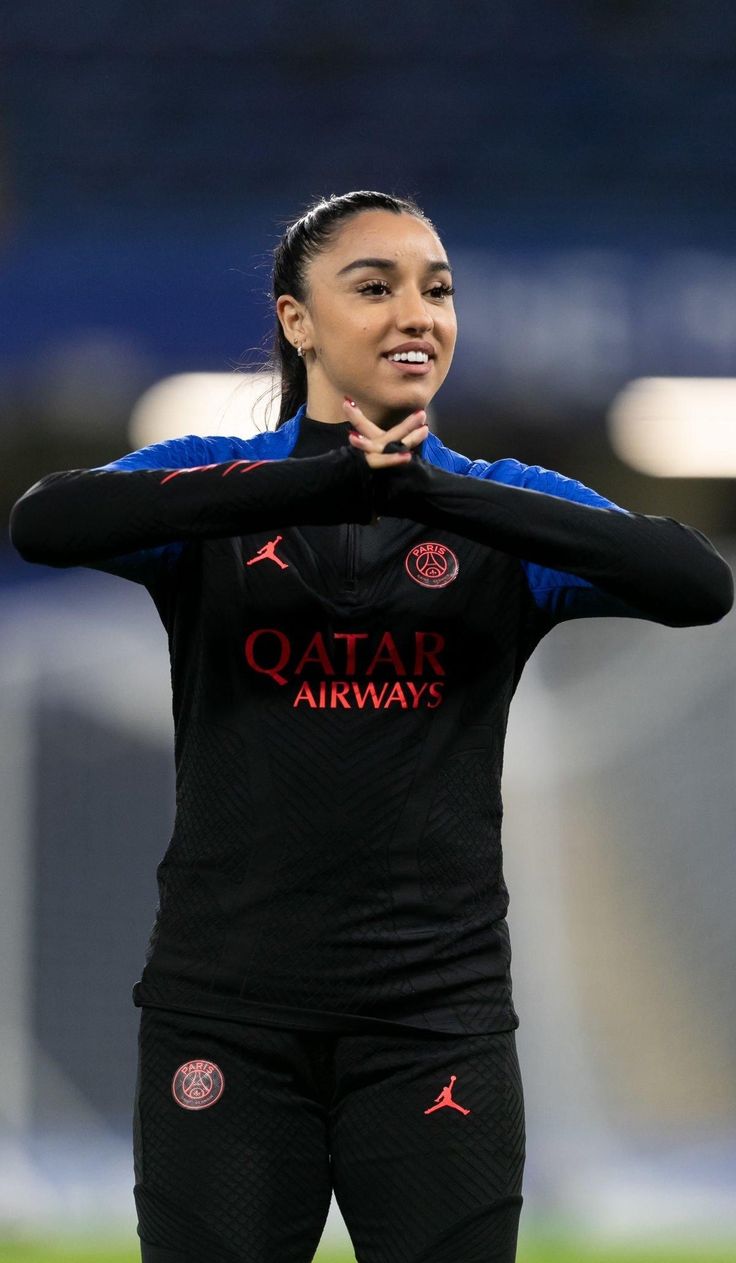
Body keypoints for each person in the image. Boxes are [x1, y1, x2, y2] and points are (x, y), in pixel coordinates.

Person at [9, 190, 733, 1263]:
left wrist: (431, 496)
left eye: (437, 289)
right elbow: (47, 522)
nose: (417, 312)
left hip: (436, 1027)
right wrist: (316, 484)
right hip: (227, 1022)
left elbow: (691, 582)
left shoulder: (497, 505)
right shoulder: (215, 486)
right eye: (374, 285)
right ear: (296, 322)